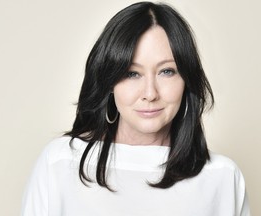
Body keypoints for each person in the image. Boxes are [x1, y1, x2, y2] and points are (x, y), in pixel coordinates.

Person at [21, 2, 250, 215]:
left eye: (167, 71)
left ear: (186, 79)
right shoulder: (60, 163)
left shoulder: (223, 177)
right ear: (109, 82)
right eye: (132, 73)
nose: (150, 93)